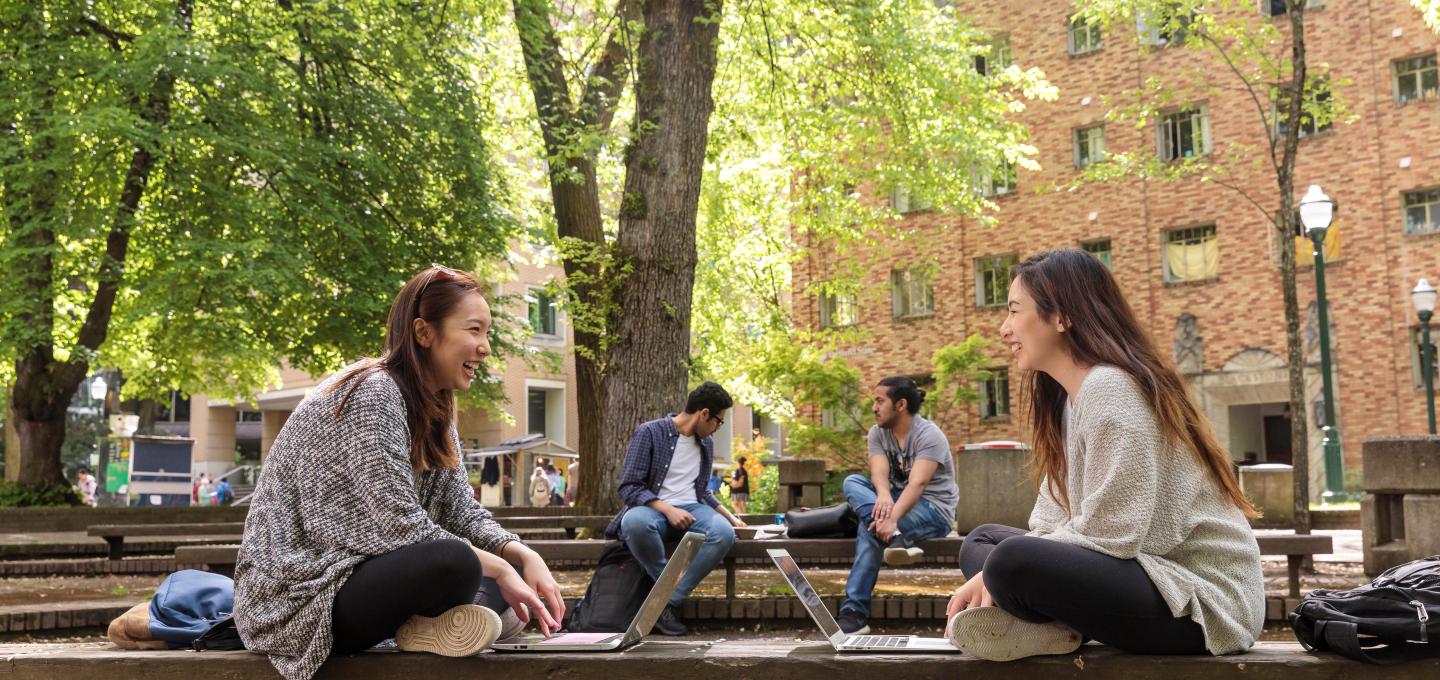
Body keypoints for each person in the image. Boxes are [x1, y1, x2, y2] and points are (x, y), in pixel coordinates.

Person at [233, 265, 565, 680]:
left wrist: (521, 555)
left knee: (489, 575)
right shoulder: (374, 391)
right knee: (457, 564)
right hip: (298, 598)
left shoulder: (436, 409)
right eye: (475, 330)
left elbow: (461, 512)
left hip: (361, 577)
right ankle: (444, 621)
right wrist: (500, 569)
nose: (485, 348)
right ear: (425, 333)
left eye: (487, 334)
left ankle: (432, 627)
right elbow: (400, 528)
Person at [943, 249, 1264, 661]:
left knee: (1008, 561)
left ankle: (1042, 623)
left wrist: (1000, 574)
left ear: (1060, 317)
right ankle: (1055, 629)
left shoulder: (1110, 389)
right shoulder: (1069, 401)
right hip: (1141, 573)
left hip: (1203, 601)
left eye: (1014, 311)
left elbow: (1114, 534)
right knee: (982, 541)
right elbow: (1050, 519)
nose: (1004, 329)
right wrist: (999, 570)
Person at [605, 381, 749, 636]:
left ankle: (664, 602)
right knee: (634, 523)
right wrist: (667, 510)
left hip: (693, 507)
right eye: (718, 421)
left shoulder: (705, 444)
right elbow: (629, 486)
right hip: (651, 509)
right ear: (704, 414)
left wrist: (728, 515)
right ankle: (666, 603)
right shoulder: (649, 432)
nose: (717, 428)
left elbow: (702, 490)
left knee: (723, 533)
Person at [835, 375, 959, 636]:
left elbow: (918, 483)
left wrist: (890, 518)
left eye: (880, 401)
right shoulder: (877, 433)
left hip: (933, 509)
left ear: (900, 405)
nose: (874, 407)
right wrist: (883, 496)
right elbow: (878, 472)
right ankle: (897, 538)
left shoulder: (929, 435)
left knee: (870, 529)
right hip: (893, 501)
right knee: (853, 481)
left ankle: (854, 613)